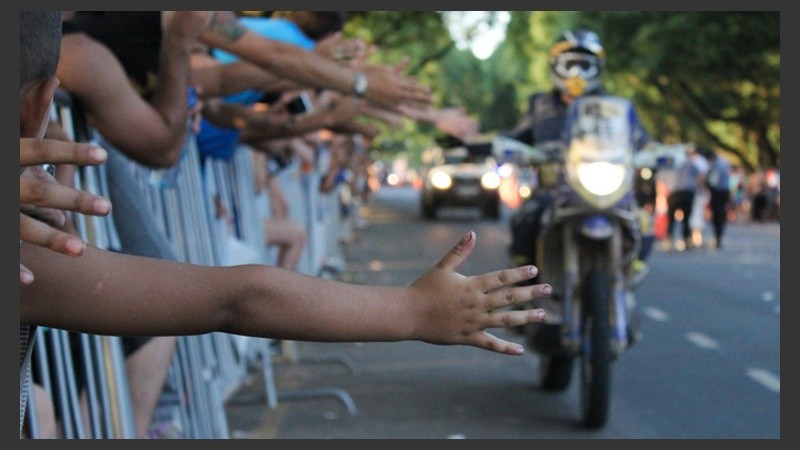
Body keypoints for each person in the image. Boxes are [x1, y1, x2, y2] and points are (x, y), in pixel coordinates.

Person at [19, 11, 553, 436]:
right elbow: (239, 297)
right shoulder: (30, 267)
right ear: (46, 101)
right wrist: (413, 309)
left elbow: (232, 79)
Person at [506, 29, 652, 274]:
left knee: (642, 221)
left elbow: (642, 141)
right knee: (526, 219)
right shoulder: (540, 105)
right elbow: (514, 137)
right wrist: (480, 144)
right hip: (553, 190)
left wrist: (657, 153)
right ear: (556, 66)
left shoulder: (615, 107)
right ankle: (524, 280)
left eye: (585, 65)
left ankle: (632, 268)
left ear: (598, 68)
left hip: (606, 188)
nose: (577, 73)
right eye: (570, 64)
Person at [665, 143, 707, 251]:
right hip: (687, 192)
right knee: (686, 218)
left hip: (675, 192)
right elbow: (700, 176)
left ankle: (669, 240)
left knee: (671, 218)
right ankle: (684, 240)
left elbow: (664, 178)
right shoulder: (689, 163)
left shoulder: (672, 163)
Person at [703, 149, 732, 249]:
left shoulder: (717, 165)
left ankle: (717, 236)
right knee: (720, 214)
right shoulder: (723, 163)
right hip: (723, 191)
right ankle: (718, 236)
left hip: (718, 192)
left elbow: (713, 181)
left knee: (717, 215)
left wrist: (707, 184)